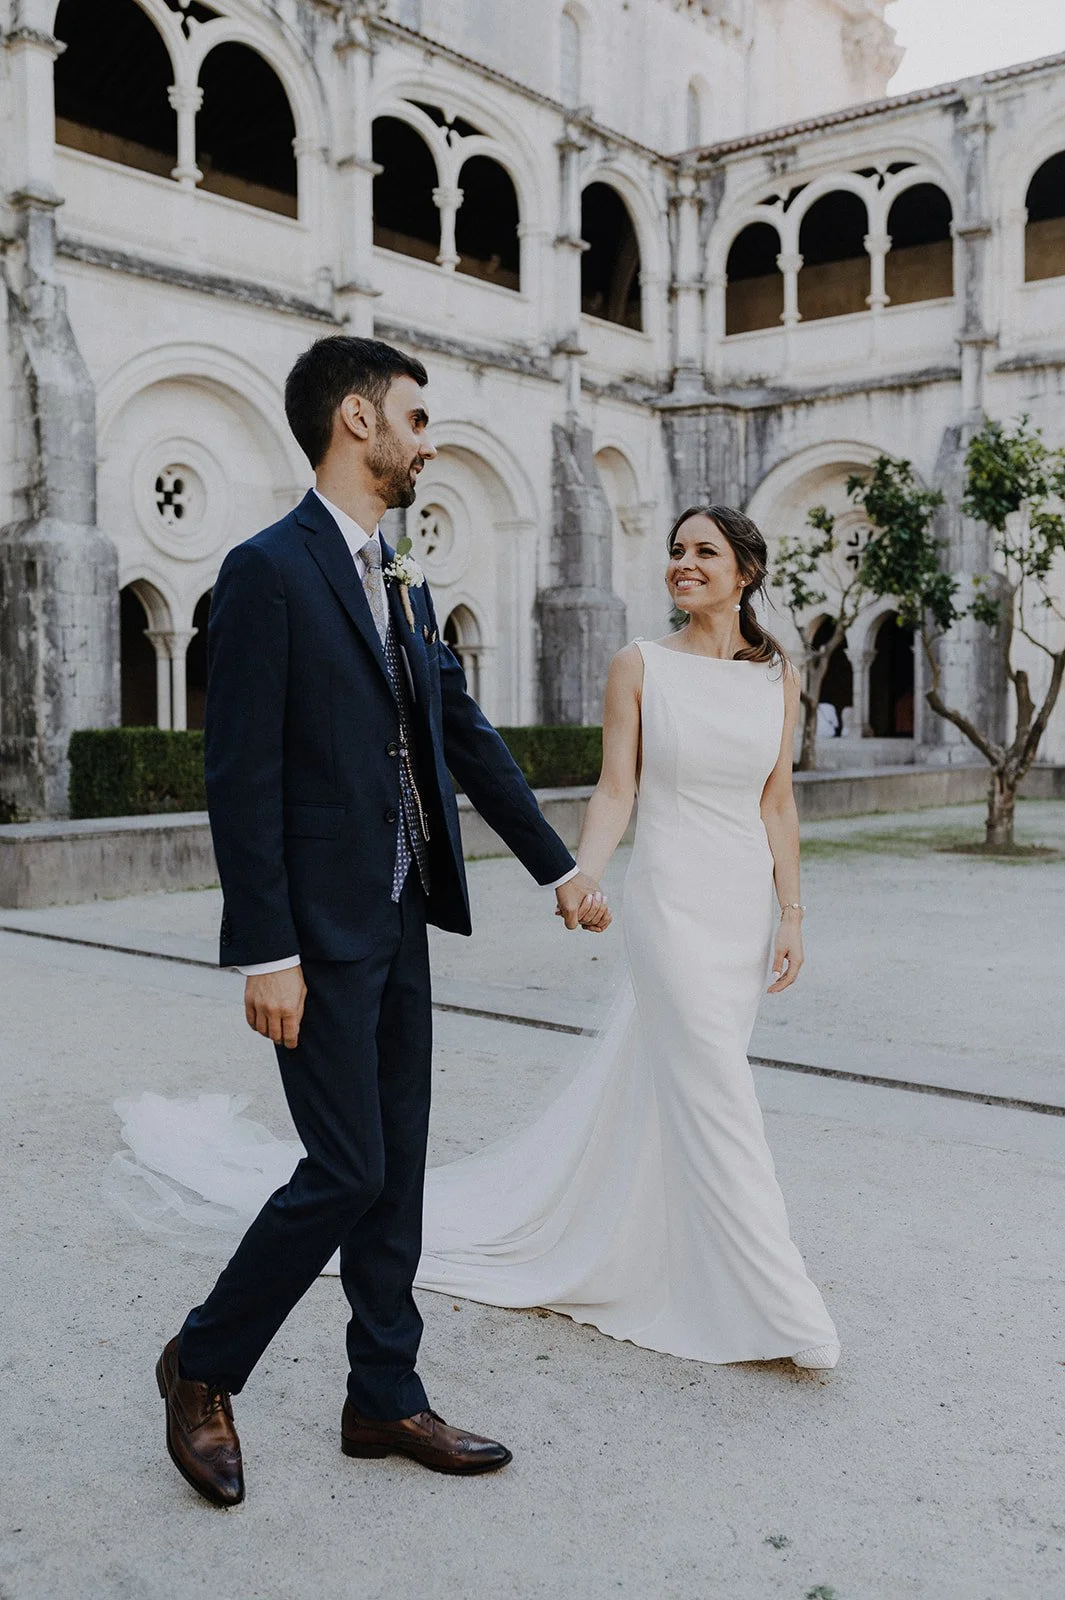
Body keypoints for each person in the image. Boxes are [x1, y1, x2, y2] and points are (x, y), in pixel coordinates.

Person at [155, 336, 608, 1509]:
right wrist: (267, 950)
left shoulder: (395, 572)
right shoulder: (269, 569)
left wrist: (558, 866)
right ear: (356, 420)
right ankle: (202, 1365)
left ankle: (383, 1393)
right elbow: (239, 775)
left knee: (396, 1166)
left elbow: (462, 735)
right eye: (415, 416)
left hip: (401, 918)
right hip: (311, 937)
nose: (428, 437)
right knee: (347, 1166)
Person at [415, 505, 841, 1372]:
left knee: (682, 1082)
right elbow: (617, 790)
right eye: (676, 552)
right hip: (671, 901)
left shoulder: (778, 676)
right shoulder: (637, 665)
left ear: (745, 572)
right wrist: (583, 874)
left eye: (704, 553)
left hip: (740, 908)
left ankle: (665, 1254)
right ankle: (776, 1299)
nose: (684, 565)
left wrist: (791, 914)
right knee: (717, 1086)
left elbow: (778, 802)